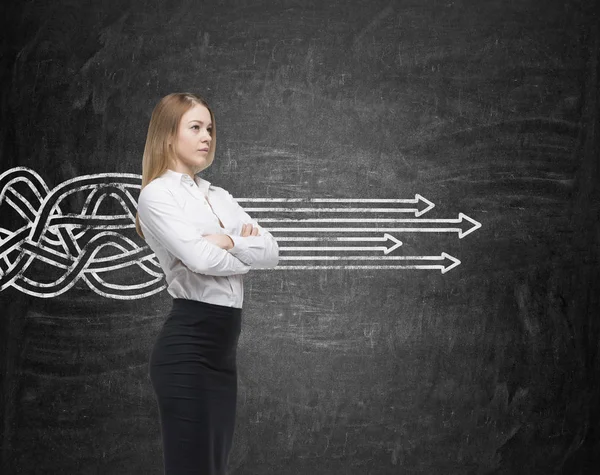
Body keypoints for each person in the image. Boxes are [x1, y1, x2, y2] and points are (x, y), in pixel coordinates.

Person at [135, 92, 279, 474]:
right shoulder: (157, 195)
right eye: (195, 128)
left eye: (210, 128)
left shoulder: (219, 195)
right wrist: (242, 255)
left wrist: (229, 241)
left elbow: (272, 251)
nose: (207, 137)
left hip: (221, 354)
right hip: (188, 350)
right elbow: (198, 258)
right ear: (168, 136)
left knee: (212, 468)